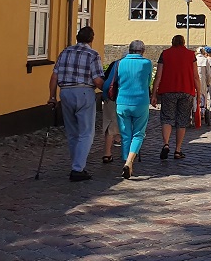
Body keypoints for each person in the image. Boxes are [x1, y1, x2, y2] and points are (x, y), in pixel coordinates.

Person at [48, 26, 104, 182]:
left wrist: (52, 97)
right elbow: (97, 80)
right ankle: (77, 169)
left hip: (65, 92)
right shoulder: (93, 54)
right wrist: (108, 91)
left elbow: (54, 77)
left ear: (77, 37)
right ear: (91, 39)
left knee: (72, 132)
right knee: (86, 132)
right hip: (84, 92)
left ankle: (77, 164)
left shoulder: (65, 52)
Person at [103, 40, 153, 179]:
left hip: (122, 102)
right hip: (140, 102)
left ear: (129, 50)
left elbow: (110, 82)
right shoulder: (147, 63)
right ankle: (129, 162)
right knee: (138, 134)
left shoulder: (120, 63)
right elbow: (148, 82)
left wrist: (105, 96)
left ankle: (126, 161)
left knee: (125, 135)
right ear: (142, 51)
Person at [150, 34, 203, 160]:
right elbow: (196, 76)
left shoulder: (165, 54)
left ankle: (166, 144)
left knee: (167, 118)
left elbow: (158, 75)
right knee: (182, 120)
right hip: (186, 90)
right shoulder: (191, 55)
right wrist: (199, 93)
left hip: (168, 90)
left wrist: (154, 93)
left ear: (172, 42)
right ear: (183, 42)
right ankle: (178, 150)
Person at [100, 59, 122, 164]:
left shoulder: (115, 63)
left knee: (110, 122)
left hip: (110, 96)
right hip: (124, 98)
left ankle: (107, 153)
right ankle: (127, 154)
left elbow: (105, 78)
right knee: (127, 123)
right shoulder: (136, 64)